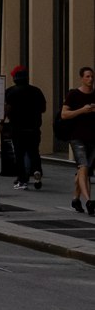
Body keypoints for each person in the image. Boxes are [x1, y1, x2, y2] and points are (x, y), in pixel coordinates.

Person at [4, 66, 46, 191]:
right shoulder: (36, 91)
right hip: (33, 127)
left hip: (17, 128)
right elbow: (43, 108)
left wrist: (2, 122)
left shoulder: (11, 92)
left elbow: (7, 108)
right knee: (34, 152)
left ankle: (22, 180)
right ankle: (37, 171)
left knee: (19, 154)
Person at [60, 65, 95, 214]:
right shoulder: (74, 94)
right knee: (83, 166)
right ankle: (89, 200)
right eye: (87, 76)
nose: (90, 79)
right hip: (77, 137)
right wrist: (82, 110)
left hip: (93, 137)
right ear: (81, 78)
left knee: (85, 171)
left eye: (92, 76)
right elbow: (64, 114)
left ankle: (76, 199)